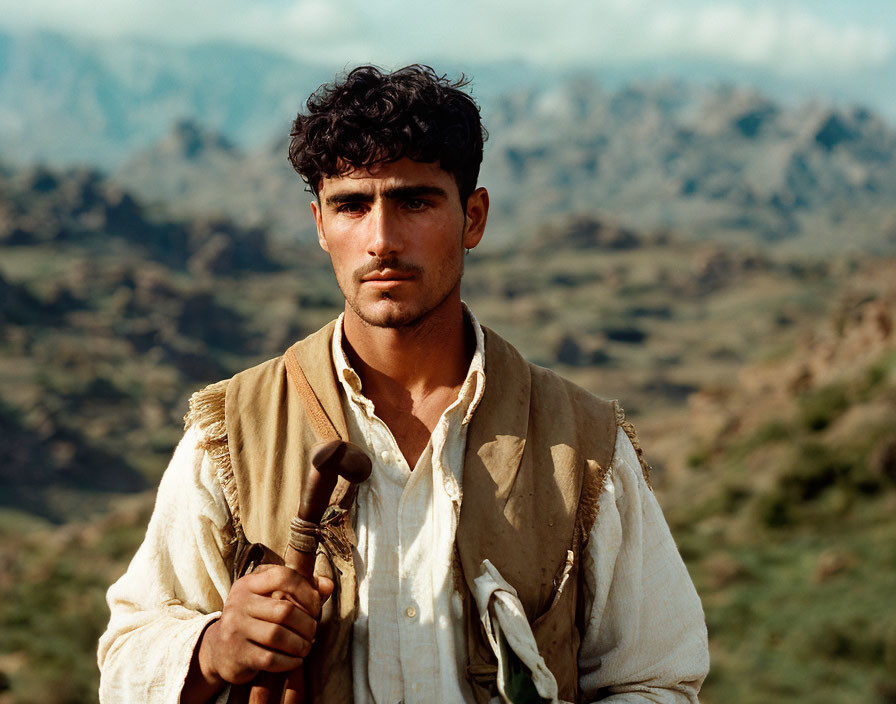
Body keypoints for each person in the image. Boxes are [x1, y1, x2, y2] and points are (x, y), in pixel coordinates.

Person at [98, 65, 709, 703]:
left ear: (473, 218)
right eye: (352, 205)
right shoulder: (233, 430)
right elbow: (125, 660)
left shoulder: (582, 444)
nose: (381, 240)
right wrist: (216, 647)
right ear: (319, 225)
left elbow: (656, 678)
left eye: (415, 201)